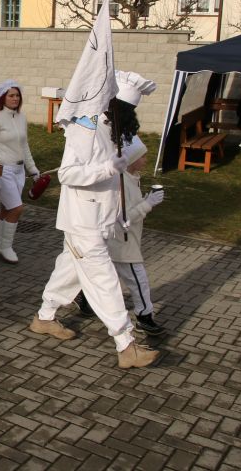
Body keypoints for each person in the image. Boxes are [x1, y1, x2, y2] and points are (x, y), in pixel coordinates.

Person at [29, 57, 161, 369]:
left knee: (69, 270)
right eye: (127, 110)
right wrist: (108, 168)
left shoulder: (110, 129)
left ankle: (44, 317)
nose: (130, 117)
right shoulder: (85, 128)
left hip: (99, 220)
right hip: (83, 222)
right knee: (105, 281)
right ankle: (126, 344)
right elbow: (68, 174)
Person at [105, 137, 166, 336]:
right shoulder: (122, 183)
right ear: (131, 160)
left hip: (126, 241)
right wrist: (149, 204)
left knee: (105, 278)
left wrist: (146, 201)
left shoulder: (132, 178)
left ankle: (83, 297)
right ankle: (144, 316)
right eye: (143, 156)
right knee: (139, 281)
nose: (146, 160)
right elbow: (123, 217)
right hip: (122, 243)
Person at [0, 79, 40, 264]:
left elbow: (24, 145)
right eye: (11, 95)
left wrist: (32, 169)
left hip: (19, 170)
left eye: (17, 95)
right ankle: (6, 247)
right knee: (16, 208)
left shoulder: (21, 117)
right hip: (3, 170)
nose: (15, 99)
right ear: (3, 98)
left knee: (6, 208)